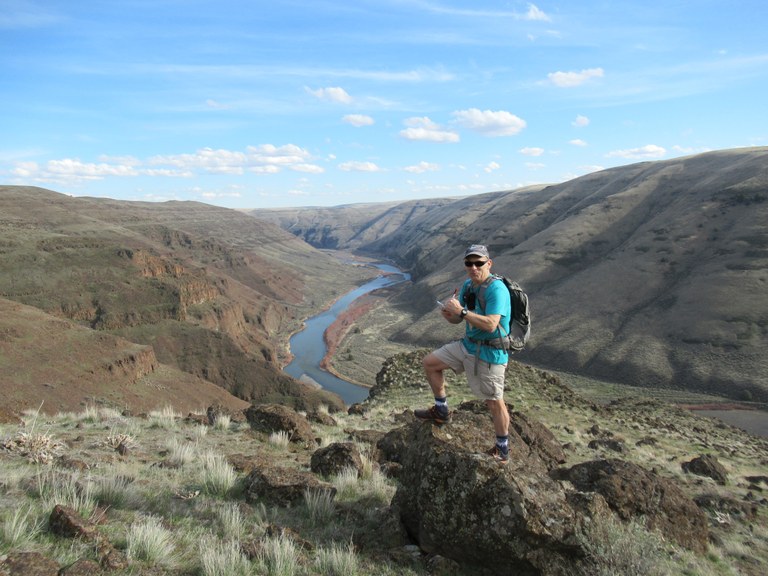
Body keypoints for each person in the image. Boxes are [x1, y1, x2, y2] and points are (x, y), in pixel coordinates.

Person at [414, 244, 512, 464]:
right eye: (469, 263)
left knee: (494, 401)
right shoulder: (468, 285)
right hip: (467, 345)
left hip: (489, 353)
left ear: (489, 263)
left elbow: (491, 324)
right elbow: (459, 319)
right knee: (430, 363)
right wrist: (450, 314)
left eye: (479, 263)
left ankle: (502, 449)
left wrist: (462, 312)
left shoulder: (497, 290)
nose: (474, 267)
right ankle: (441, 411)